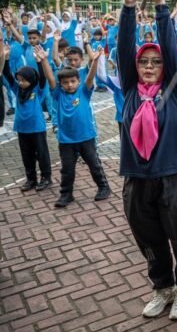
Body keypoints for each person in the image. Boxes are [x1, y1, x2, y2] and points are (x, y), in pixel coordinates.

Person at [118, 0, 177, 321]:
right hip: (137, 178)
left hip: (174, 176)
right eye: (143, 62)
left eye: (156, 62)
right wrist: (128, 8)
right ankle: (162, 287)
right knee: (149, 239)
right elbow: (123, 47)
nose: (149, 66)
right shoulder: (130, 92)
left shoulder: (174, 91)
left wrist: (162, 6)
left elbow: (169, 48)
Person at [40, 39, 110, 208]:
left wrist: (94, 60)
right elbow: (50, 78)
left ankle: (103, 187)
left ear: (78, 81)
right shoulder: (58, 94)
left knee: (94, 164)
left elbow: (91, 76)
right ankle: (66, 194)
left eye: (72, 81)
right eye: (65, 82)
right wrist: (43, 60)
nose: (69, 85)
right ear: (61, 84)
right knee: (67, 169)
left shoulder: (84, 91)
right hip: (66, 140)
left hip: (86, 136)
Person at [1, 44, 52, 192]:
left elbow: (42, 78)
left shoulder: (38, 90)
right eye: (19, 79)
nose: (20, 82)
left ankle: (46, 178)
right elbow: (8, 75)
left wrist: (39, 61)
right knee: (26, 155)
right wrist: (5, 58)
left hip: (36, 128)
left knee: (41, 154)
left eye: (24, 80)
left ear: (31, 80)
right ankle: (31, 179)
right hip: (22, 128)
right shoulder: (18, 90)